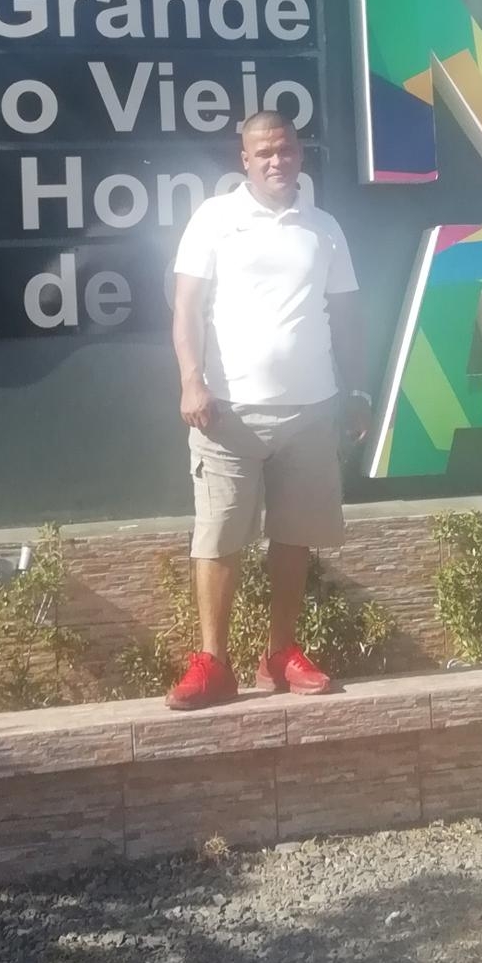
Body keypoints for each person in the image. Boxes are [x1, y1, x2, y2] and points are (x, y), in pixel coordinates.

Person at [165, 110, 369, 710]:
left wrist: (357, 391)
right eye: (264, 153)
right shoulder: (215, 219)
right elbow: (186, 308)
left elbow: (346, 317)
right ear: (245, 161)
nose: (277, 161)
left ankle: (280, 655)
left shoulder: (324, 228)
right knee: (219, 538)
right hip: (225, 414)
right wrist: (191, 381)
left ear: (299, 154)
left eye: (286, 150)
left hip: (312, 411)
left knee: (294, 537)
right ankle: (213, 664)